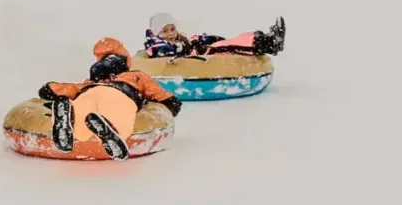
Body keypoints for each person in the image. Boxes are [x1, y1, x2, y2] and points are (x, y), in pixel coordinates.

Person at [37, 37, 182, 161]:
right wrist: (170, 102)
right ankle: (112, 132)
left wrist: (51, 88)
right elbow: (156, 92)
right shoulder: (136, 76)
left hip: (89, 91)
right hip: (121, 93)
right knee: (120, 113)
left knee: (82, 111)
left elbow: (72, 88)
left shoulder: (91, 81)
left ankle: (68, 118)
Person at [144, 12, 286, 61]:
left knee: (228, 42)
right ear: (156, 33)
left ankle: (264, 38)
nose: (170, 33)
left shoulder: (179, 39)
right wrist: (184, 48)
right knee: (228, 46)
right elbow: (164, 50)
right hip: (196, 57)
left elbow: (185, 45)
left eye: (172, 29)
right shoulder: (154, 45)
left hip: (197, 52)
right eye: (165, 31)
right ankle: (269, 43)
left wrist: (199, 40)